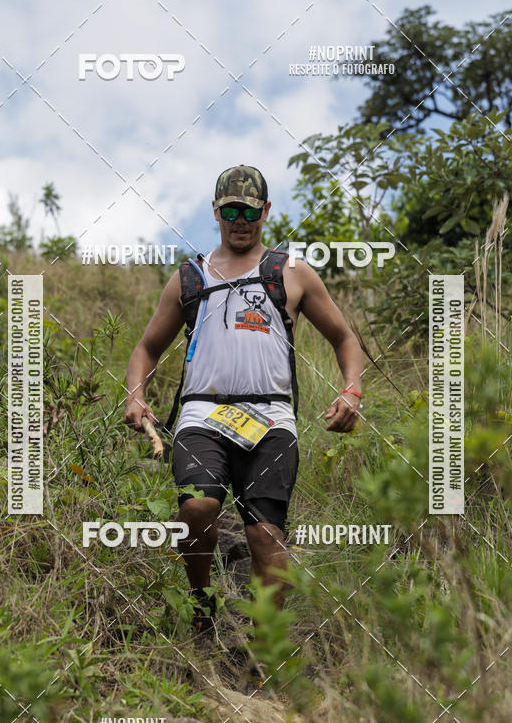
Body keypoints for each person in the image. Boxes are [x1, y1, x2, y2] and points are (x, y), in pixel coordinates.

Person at [124, 165, 364, 637]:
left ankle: (266, 639)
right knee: (196, 507)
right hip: (202, 414)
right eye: (230, 210)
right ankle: (201, 601)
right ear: (215, 211)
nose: (240, 220)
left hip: (271, 417)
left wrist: (351, 389)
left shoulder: (290, 273)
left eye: (249, 211)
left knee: (264, 533)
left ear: (266, 212)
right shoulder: (189, 277)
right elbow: (146, 348)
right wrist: (136, 395)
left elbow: (344, 338)